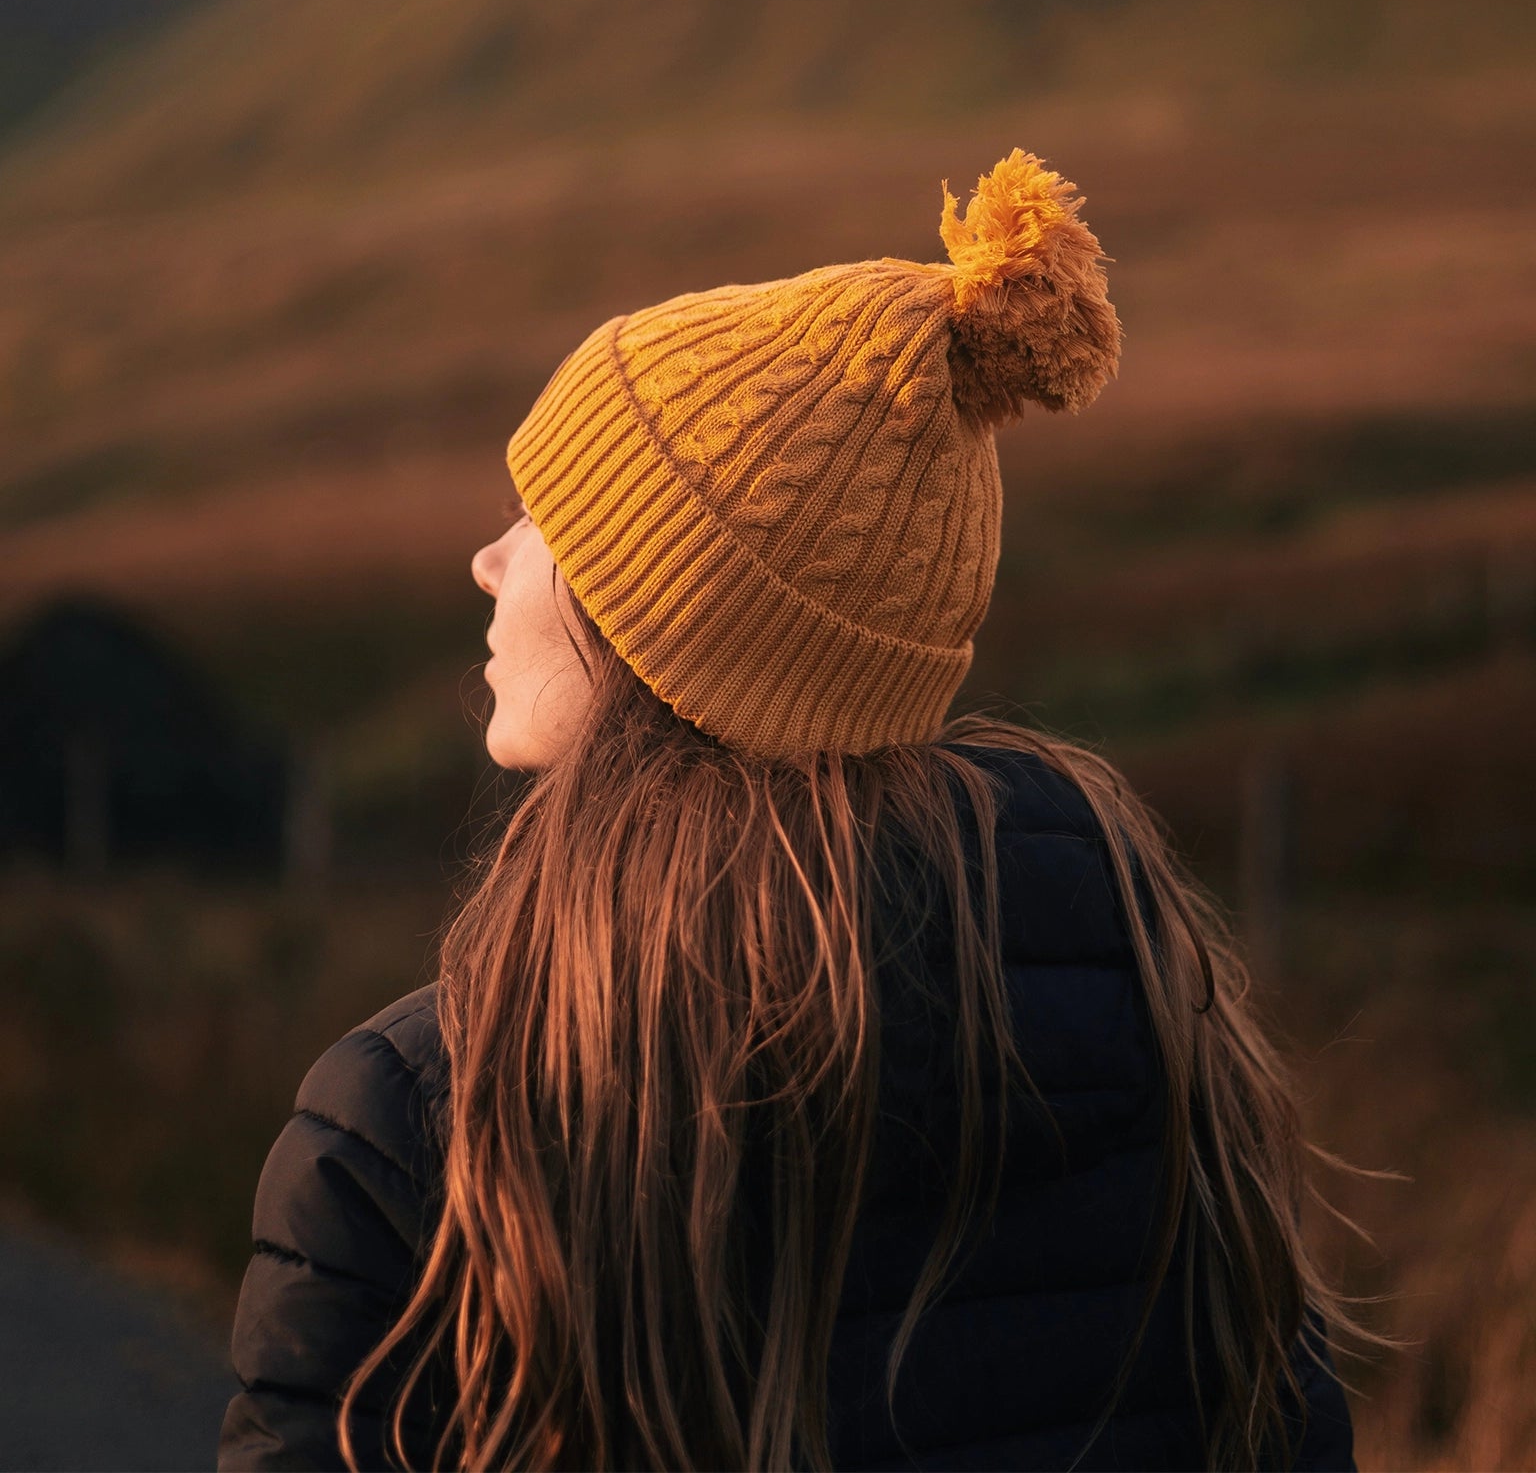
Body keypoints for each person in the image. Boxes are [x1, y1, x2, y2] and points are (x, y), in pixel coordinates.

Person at [218, 150, 1365, 1473]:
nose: (489, 559)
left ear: (652, 623)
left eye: (542, 517)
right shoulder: (1156, 1043)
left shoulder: (426, 1123)